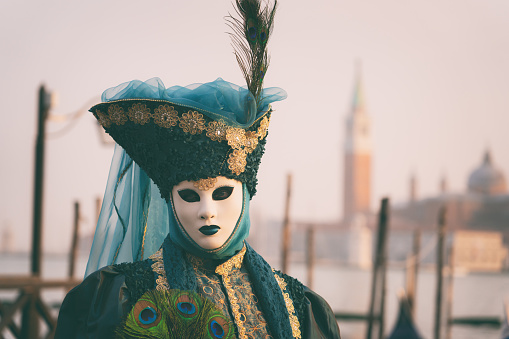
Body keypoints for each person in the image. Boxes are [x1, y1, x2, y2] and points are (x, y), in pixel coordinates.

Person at [55, 1, 340, 338]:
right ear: (170, 201)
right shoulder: (122, 297)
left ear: (247, 195)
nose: (207, 211)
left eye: (222, 193)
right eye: (190, 195)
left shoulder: (298, 305)